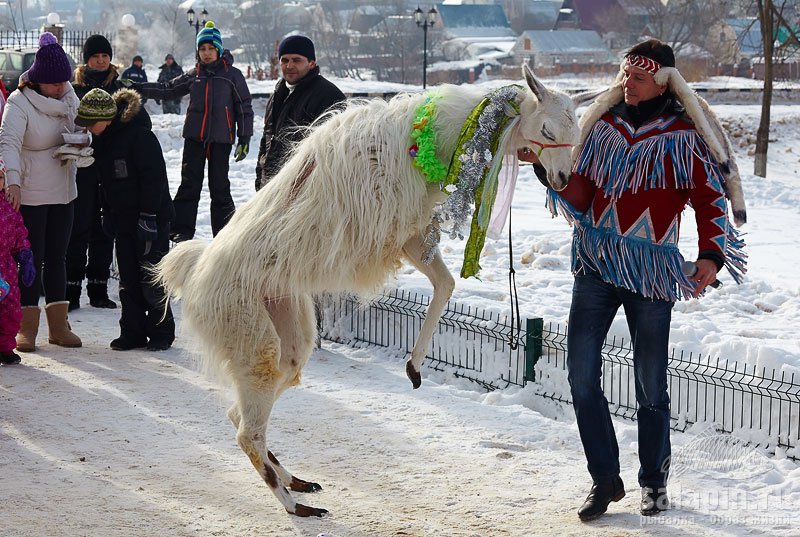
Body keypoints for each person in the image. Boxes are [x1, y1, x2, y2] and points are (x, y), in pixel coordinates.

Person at [521, 39, 746, 520]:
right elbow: (581, 194)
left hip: (650, 274)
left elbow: (710, 199)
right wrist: (550, 174)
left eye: (638, 77)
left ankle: (654, 482)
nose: (628, 83)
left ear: (662, 80)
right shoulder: (600, 126)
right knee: (581, 376)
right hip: (596, 264)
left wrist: (711, 253)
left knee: (650, 387)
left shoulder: (684, 134)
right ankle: (604, 480)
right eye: (625, 75)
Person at [0, 32, 83, 351]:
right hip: (32, 191)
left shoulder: (68, 94)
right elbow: (7, 142)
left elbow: (78, 127)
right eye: (55, 83)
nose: (62, 87)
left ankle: (59, 326)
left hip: (64, 187)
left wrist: (84, 141)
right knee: (30, 258)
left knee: (58, 257)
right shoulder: (20, 102)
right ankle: (27, 327)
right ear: (39, 80)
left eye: (64, 82)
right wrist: (14, 181)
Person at [75, 88, 175, 351]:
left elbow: (154, 180)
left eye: (90, 123)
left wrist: (149, 216)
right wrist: (106, 213)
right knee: (128, 279)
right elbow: (106, 184)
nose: (88, 129)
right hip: (123, 219)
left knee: (152, 278)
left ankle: (161, 332)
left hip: (150, 219)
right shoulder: (103, 140)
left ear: (107, 117)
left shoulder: (140, 137)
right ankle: (132, 332)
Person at [135, 22, 253, 241]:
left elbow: (244, 107)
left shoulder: (232, 75)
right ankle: (181, 230)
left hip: (220, 140)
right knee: (189, 184)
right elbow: (167, 89)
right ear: (198, 51)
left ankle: (225, 234)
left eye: (210, 49)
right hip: (194, 138)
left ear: (218, 50)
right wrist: (139, 88)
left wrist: (244, 136)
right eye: (202, 49)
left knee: (220, 187)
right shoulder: (193, 75)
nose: (206, 54)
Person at [66, 34, 152, 312]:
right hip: (83, 167)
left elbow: (141, 123)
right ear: (86, 60)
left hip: (112, 169)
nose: (101, 61)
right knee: (79, 227)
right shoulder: (74, 88)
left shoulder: (120, 87)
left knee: (105, 229)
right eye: (95, 57)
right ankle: (71, 289)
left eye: (104, 56)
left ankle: (98, 288)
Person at [255, 34, 345, 190]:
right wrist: (260, 180)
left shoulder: (329, 96)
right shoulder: (278, 93)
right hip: (272, 187)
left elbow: (335, 152)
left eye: (296, 60)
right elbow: (267, 140)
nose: (289, 66)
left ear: (311, 63)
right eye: (284, 60)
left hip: (305, 193)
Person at [0, 157, 36, 365]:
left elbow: (19, 233)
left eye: (0, 178)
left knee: (11, 310)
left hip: (7, 270)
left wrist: (25, 254)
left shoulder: (9, 207)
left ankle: (5, 347)